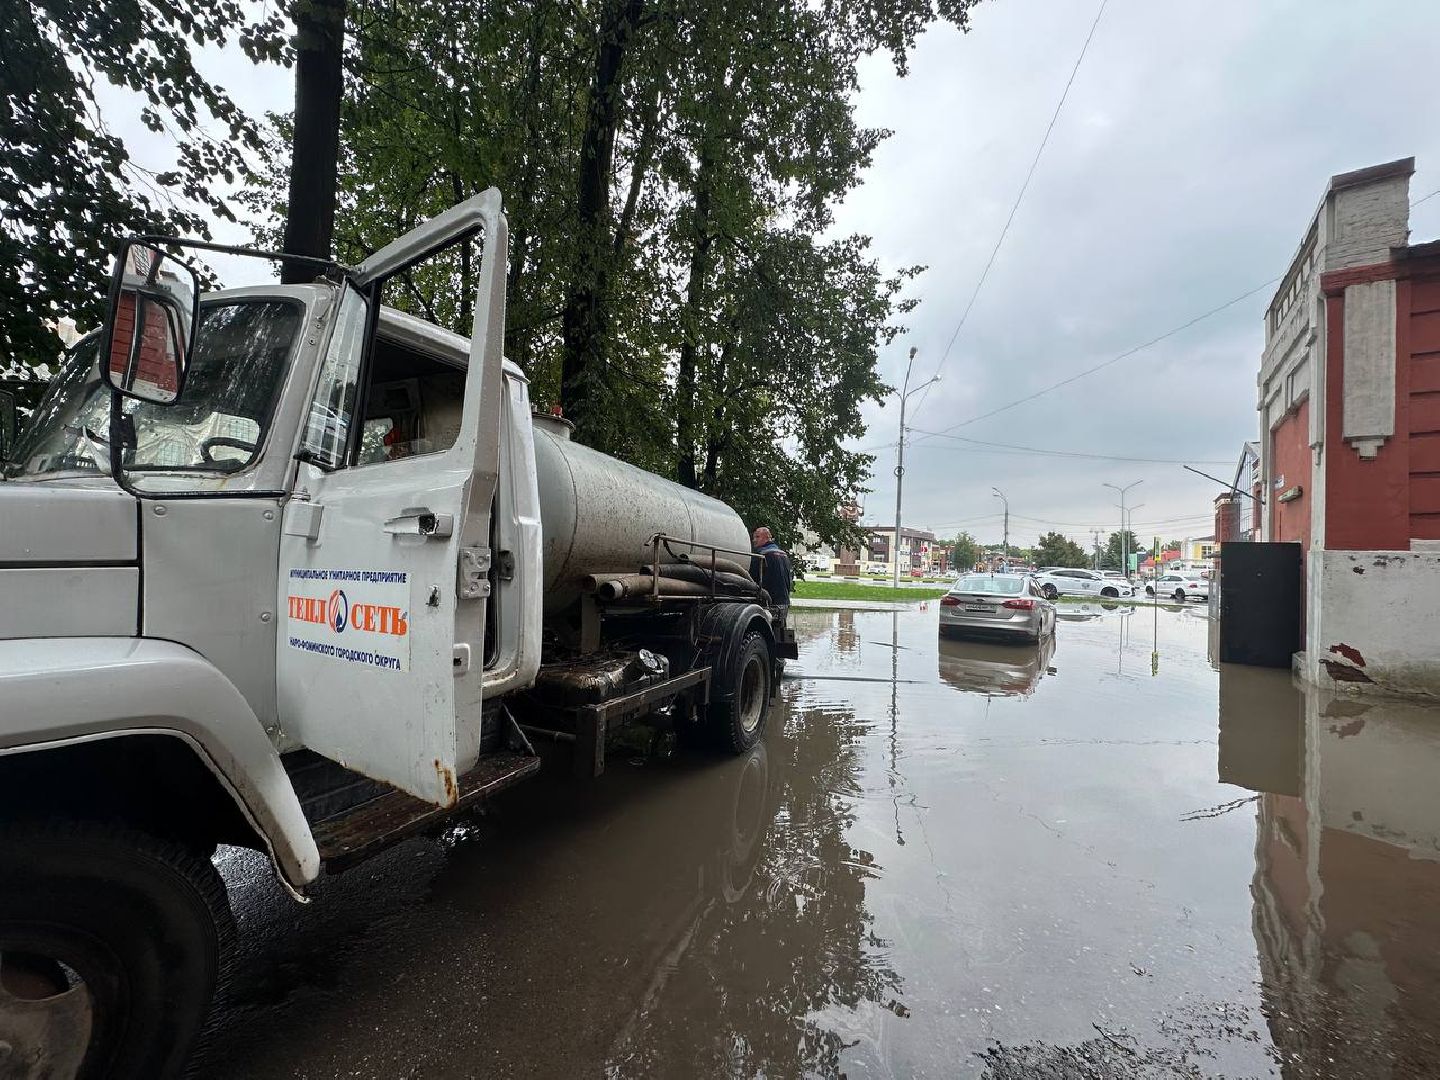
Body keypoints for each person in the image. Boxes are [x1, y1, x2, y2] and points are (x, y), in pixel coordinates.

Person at [749, 526, 792, 622]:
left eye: (757, 537)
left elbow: (751, 580)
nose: (753, 540)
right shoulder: (783, 555)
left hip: (768, 604)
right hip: (784, 603)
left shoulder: (761, 556)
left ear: (766, 538)